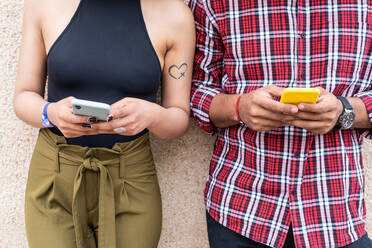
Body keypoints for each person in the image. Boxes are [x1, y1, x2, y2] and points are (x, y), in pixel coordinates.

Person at [188, 0, 372, 247]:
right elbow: (195, 89)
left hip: (335, 211)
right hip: (241, 210)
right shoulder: (213, 3)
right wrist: (238, 107)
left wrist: (345, 111)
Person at [13, 0, 195, 246]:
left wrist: (152, 115)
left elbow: (179, 116)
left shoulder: (175, 15)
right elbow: (23, 97)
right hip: (55, 177)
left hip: (131, 177)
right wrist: (50, 113)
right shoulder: (44, 4)